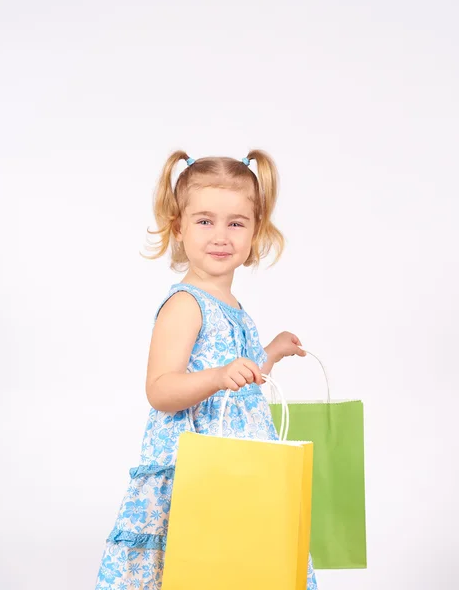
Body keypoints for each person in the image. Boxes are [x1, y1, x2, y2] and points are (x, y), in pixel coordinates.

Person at [94, 149, 318, 589]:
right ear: (179, 228)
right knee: (196, 565)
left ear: (256, 232)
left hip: (238, 467)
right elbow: (160, 389)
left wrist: (268, 353)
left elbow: (240, 381)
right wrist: (217, 376)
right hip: (197, 472)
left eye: (236, 222)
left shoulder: (234, 307)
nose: (221, 235)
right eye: (204, 221)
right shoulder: (185, 305)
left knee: (238, 564)